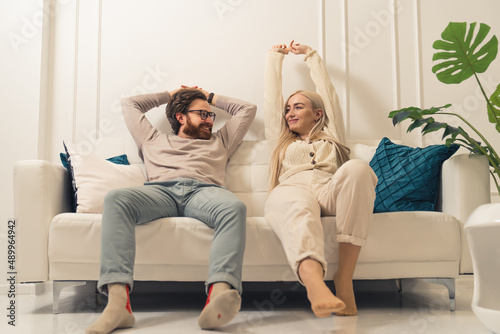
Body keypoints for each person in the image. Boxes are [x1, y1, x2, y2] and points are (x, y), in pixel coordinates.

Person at [86, 86, 256, 334]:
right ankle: (118, 304)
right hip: (160, 192)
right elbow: (129, 104)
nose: (210, 120)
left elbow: (247, 109)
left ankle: (218, 296)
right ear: (180, 116)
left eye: (211, 115)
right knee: (116, 198)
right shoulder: (152, 138)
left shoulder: (222, 139)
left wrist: (209, 97)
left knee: (234, 207)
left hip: (204, 192)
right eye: (203, 114)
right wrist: (171, 94)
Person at [264, 41, 378, 317]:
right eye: (288, 109)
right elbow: (271, 98)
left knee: (358, 169)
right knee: (300, 209)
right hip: (292, 189)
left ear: (317, 114)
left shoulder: (332, 135)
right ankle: (315, 286)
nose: (290, 112)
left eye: (298, 107)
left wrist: (311, 57)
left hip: (330, 189)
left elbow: (329, 95)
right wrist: (274, 57)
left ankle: (344, 279)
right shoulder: (279, 140)